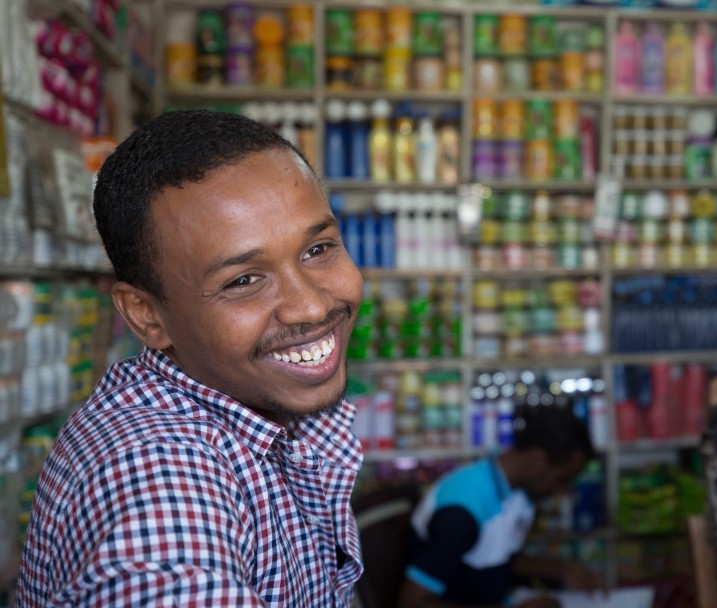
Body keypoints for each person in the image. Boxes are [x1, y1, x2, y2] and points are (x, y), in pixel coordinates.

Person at [17, 110, 366, 606]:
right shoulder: (155, 474)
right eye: (243, 280)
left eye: (318, 249)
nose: (311, 305)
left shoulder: (255, 405)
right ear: (146, 315)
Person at [398, 404, 606, 608]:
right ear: (538, 461)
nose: (561, 491)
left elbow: (492, 558)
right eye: (561, 480)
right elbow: (413, 603)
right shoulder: (463, 512)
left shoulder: (514, 490)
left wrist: (560, 569)